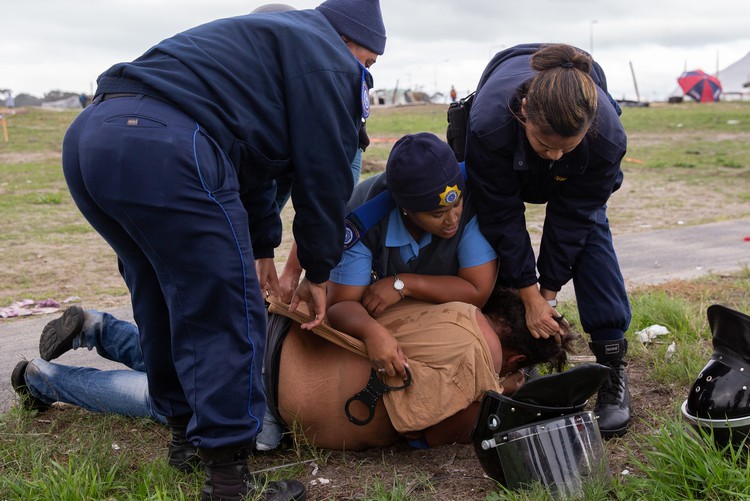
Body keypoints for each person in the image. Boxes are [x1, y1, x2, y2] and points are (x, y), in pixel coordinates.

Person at [59, 1, 387, 499]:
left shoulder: (272, 41)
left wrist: (261, 250)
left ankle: (186, 439)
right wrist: (319, 271)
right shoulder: (331, 61)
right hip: (168, 144)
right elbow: (326, 176)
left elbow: (251, 163)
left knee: (161, 291)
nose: (364, 75)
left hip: (92, 137)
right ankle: (230, 481)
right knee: (229, 308)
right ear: (352, 43)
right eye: (368, 64)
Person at [11, 288, 571, 451]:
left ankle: (98, 328)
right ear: (518, 356)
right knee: (164, 399)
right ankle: (44, 379)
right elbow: (439, 433)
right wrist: (505, 390)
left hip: (276, 332)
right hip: (274, 403)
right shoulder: (480, 369)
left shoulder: (453, 306)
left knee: (182, 363)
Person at [464, 43, 632, 438]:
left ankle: (612, 366)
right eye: (544, 144)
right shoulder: (490, 125)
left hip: (585, 164)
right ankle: (517, 355)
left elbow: (572, 218)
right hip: (502, 146)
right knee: (492, 243)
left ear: (587, 130)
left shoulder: (606, 139)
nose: (554, 155)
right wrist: (527, 295)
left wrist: (548, 294)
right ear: (524, 113)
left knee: (590, 236)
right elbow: (502, 216)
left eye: (565, 147)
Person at [326, 132, 498, 380]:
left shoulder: (471, 198)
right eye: (437, 214)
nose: (452, 220)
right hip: (384, 315)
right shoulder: (362, 216)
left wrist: (403, 284)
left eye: (456, 203)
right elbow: (341, 304)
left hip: (439, 307)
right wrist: (371, 333)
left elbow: (477, 291)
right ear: (405, 209)